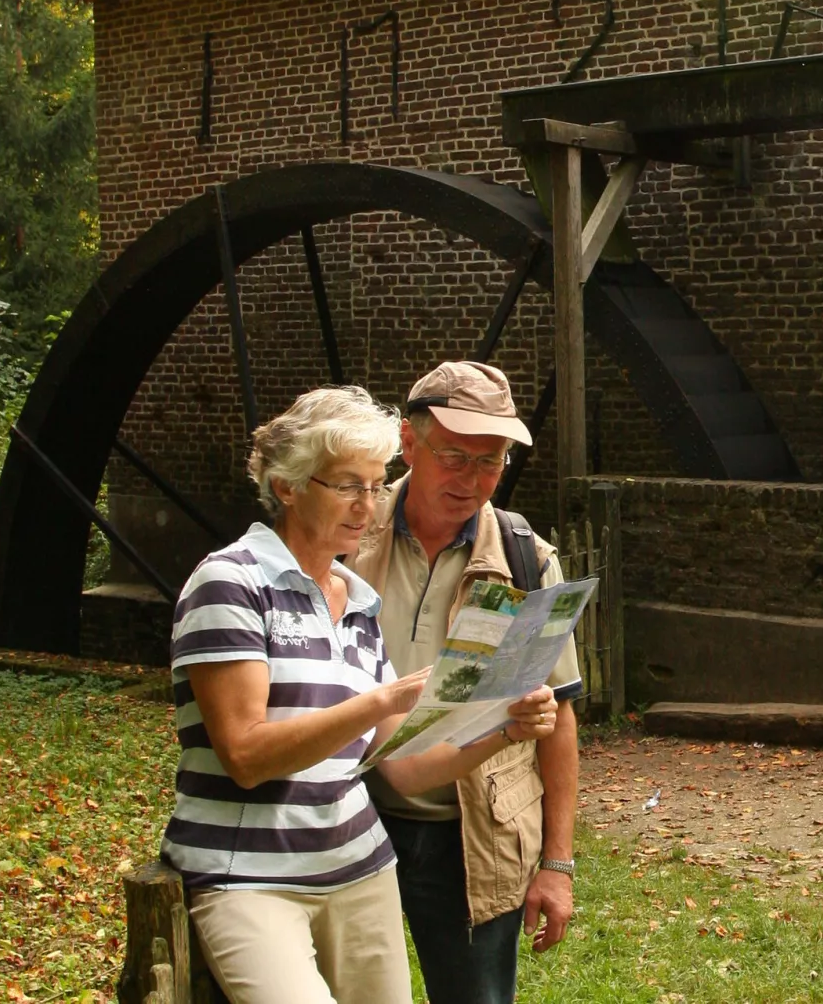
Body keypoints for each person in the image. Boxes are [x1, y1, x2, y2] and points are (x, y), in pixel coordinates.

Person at [160, 386, 560, 1004]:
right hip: (249, 876)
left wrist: (505, 729)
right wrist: (385, 699)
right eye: (346, 485)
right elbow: (245, 755)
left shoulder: (356, 601)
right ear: (288, 486)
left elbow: (400, 767)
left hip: (359, 868)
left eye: (375, 486)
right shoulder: (231, 582)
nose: (366, 506)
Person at [349, 362, 582, 1004]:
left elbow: (558, 718)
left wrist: (557, 866)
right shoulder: (345, 539)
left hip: (471, 836)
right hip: (347, 820)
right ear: (407, 442)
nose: (471, 479)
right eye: (453, 456)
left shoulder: (525, 560)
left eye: (491, 462)